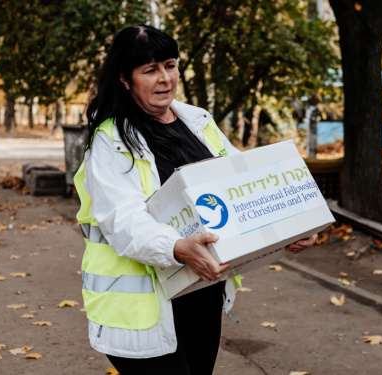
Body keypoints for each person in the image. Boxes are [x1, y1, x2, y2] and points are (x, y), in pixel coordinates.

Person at [73, 24, 316, 375]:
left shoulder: (198, 122)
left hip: (202, 289)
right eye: (150, 70)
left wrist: (295, 224)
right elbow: (123, 221)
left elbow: (246, 183)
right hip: (143, 307)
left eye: (170, 66)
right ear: (125, 80)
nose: (164, 79)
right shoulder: (112, 141)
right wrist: (177, 247)